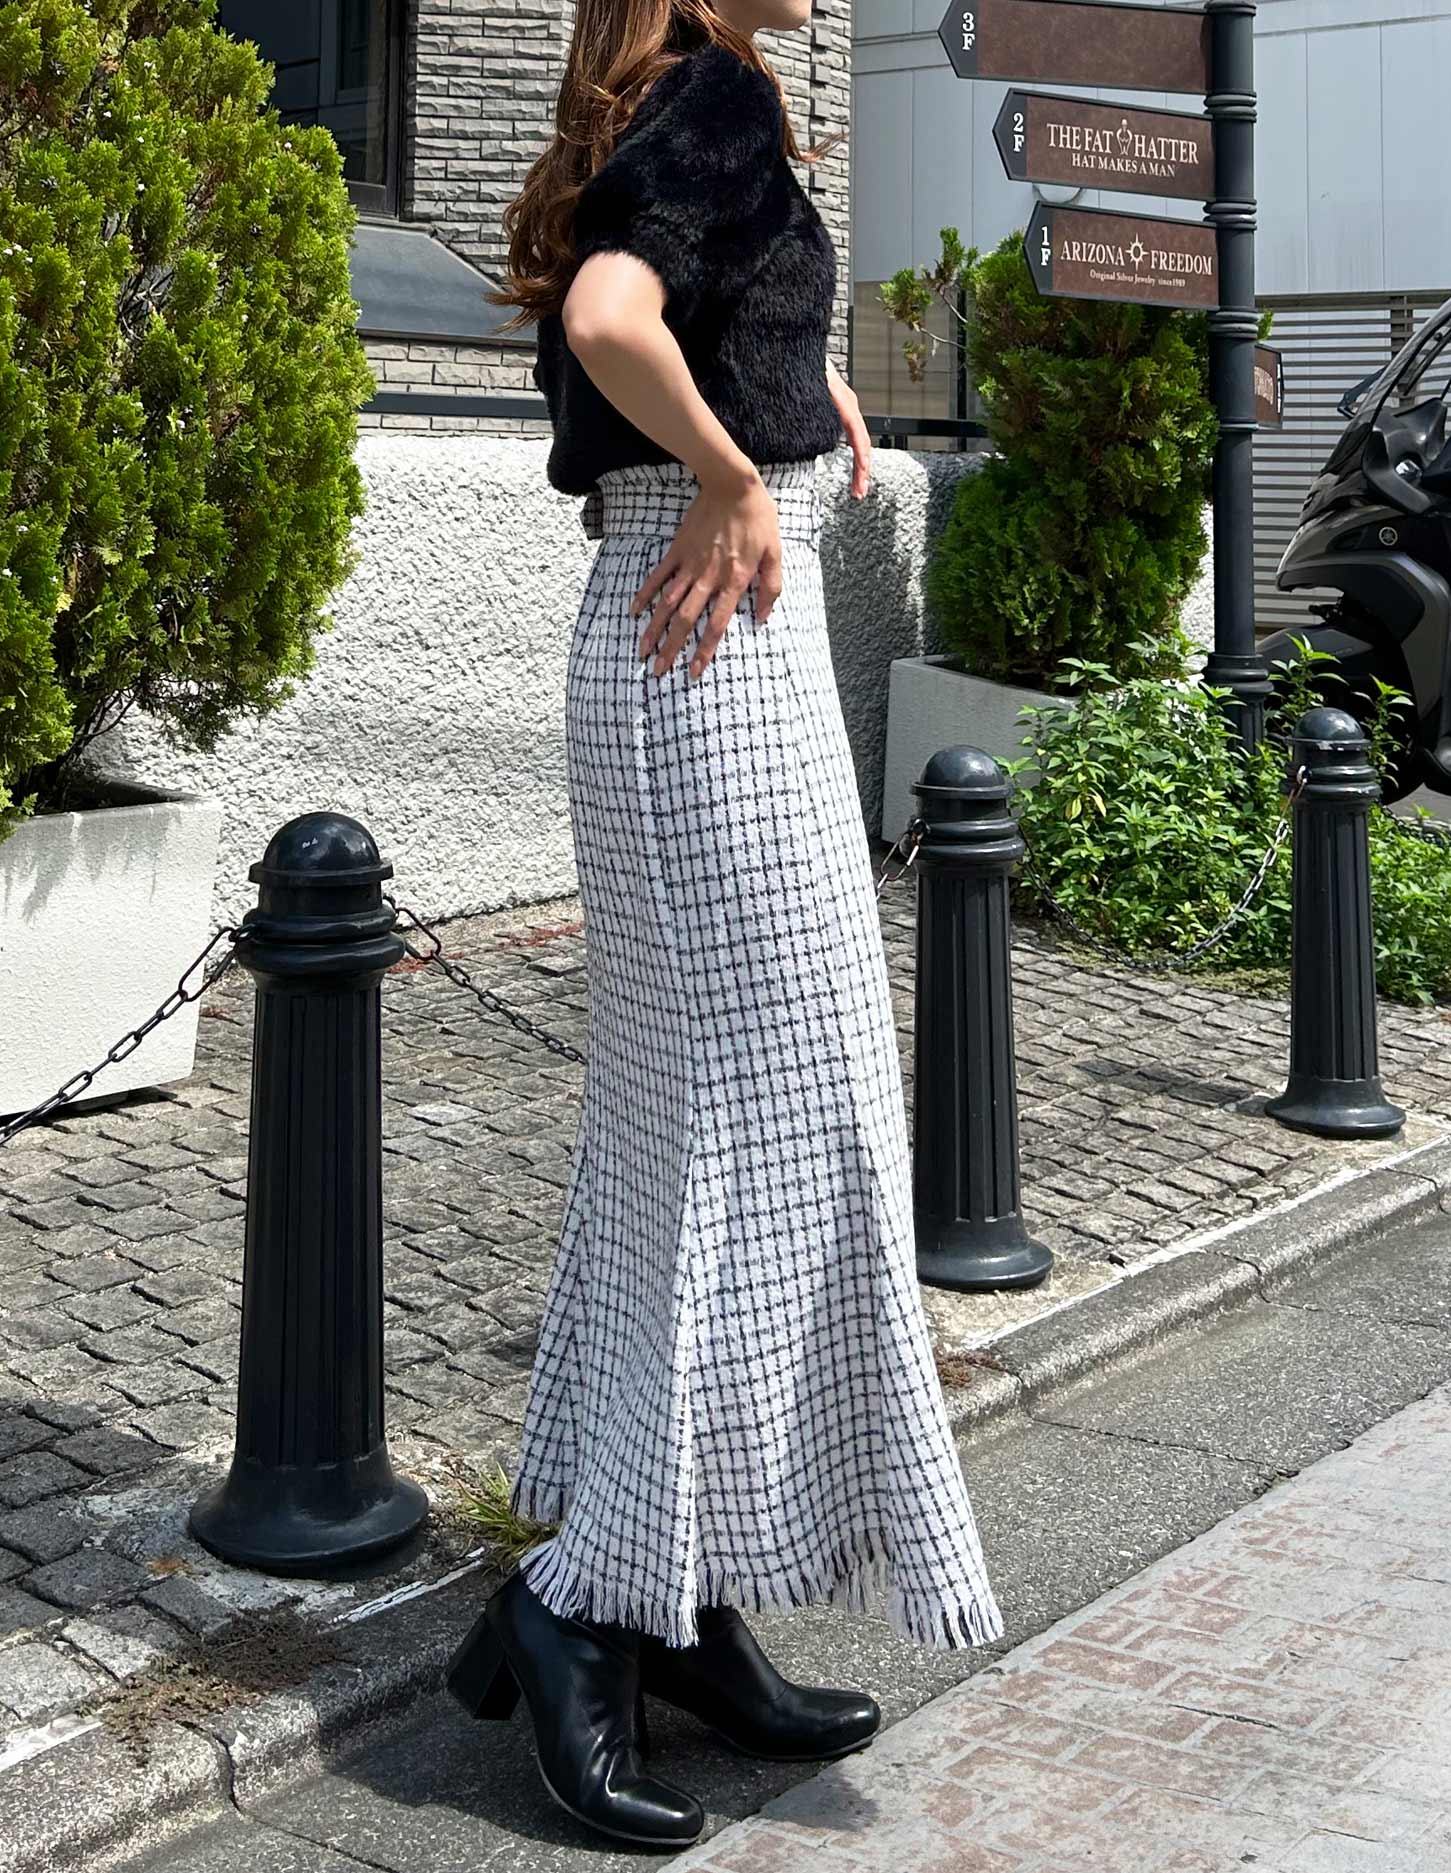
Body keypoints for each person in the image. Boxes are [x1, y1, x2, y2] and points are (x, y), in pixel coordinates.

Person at [445, 0, 1005, 1848]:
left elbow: (663, 309)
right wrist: (733, 470)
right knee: (771, 1135)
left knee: (694, 1135)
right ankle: (580, 1609)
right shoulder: (715, 95)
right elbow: (615, 317)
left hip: (673, 646)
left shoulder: (679, 94)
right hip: (707, 660)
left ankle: (671, 1595)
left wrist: (786, 392)